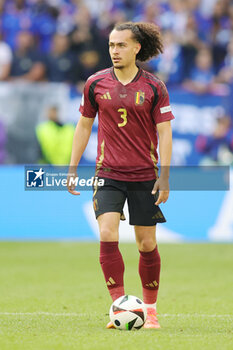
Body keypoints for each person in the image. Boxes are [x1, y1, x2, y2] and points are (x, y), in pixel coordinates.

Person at [67, 22, 174, 329]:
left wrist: (163, 176)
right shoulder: (95, 83)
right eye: (112, 45)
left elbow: (165, 133)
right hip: (108, 173)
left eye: (121, 45)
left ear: (136, 48)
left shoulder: (154, 87)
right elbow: (84, 125)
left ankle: (149, 310)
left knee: (145, 244)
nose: (114, 50)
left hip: (144, 175)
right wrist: (72, 167)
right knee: (107, 233)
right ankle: (118, 306)